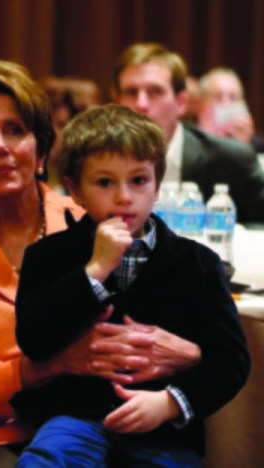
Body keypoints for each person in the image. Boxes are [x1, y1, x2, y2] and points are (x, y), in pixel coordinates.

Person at [0, 60, 204, 468]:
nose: (0, 146)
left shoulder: (97, 219)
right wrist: (47, 365)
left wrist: (192, 353)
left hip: (106, 421)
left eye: (15, 129)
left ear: (41, 148)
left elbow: (177, 315)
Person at [13, 104, 250, 466]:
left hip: (162, 428)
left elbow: (230, 360)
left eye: (138, 180)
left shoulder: (197, 264)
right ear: (75, 190)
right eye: (105, 182)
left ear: (157, 187)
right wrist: (94, 270)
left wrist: (169, 403)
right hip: (75, 417)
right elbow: (33, 339)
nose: (124, 196)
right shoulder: (49, 257)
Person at [112, 42, 264, 224]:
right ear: (117, 102)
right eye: (131, 92)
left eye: (155, 91)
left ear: (181, 103)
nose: (141, 104)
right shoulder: (98, 160)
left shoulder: (231, 160)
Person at [197, 67, 264, 153]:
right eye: (218, 96)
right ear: (203, 102)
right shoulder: (188, 141)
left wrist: (243, 145)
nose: (226, 103)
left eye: (233, 97)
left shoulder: (259, 146)